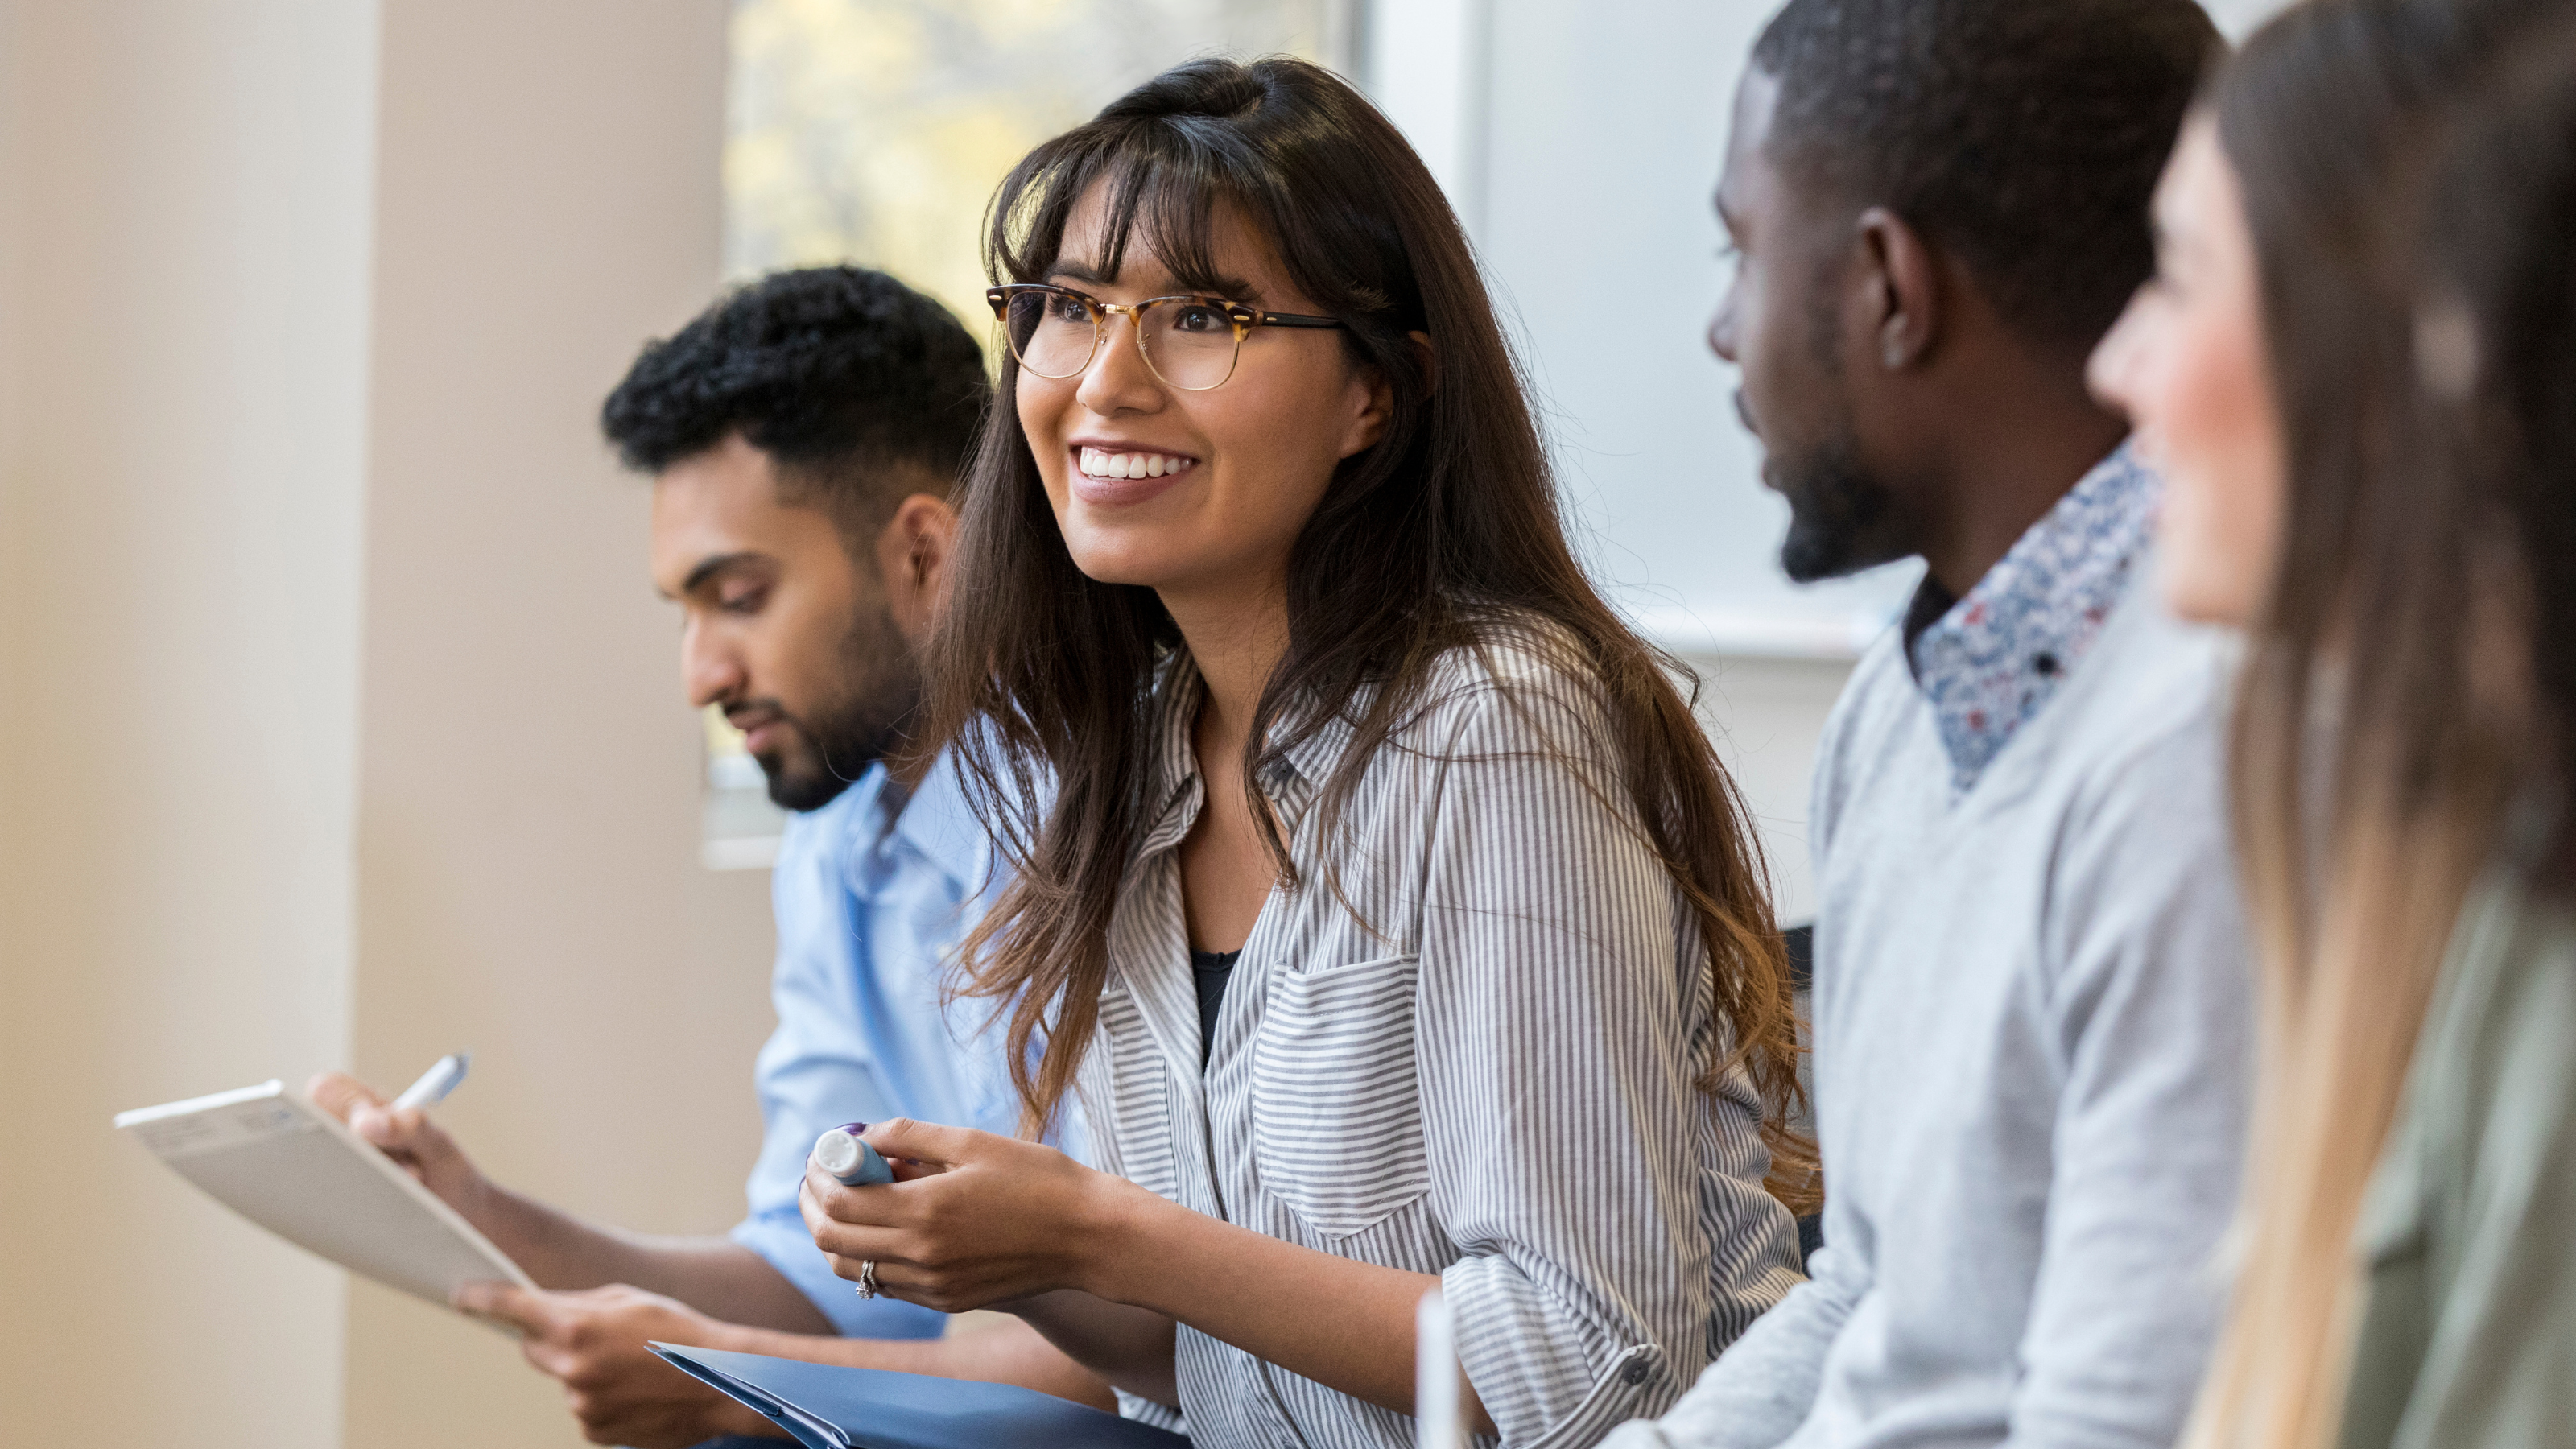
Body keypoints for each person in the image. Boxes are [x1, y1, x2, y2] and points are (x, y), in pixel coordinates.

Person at [795, 56, 1814, 1447]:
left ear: (1374, 398)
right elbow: (1234, 1368)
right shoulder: (1134, 753)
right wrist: (1011, 1254)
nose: (1106, 382)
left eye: (1202, 317)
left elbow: (1586, 1363)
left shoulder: (1494, 725)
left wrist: (1101, 1231)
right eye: (1069, 308)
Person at [308, 267, 1106, 1447]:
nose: (701, 676)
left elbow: (1119, 1367)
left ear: (926, 557)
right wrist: (472, 1209)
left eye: (738, 596)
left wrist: (723, 1381)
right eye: (686, 612)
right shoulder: (839, 838)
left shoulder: (1101, 824)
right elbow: (809, 1278)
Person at [1608, 2, 2254, 1447]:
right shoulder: (1905, 711)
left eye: (1741, 252)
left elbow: (2119, 1423)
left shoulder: (2199, 754)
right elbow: (1871, 1298)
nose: (1722, 331)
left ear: (1892, 286)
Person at [2087, 1, 2576, 1444]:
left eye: (2179, 275)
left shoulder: (2540, 956)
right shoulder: (2426, 860)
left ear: (2414, 338)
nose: (2121, 364)